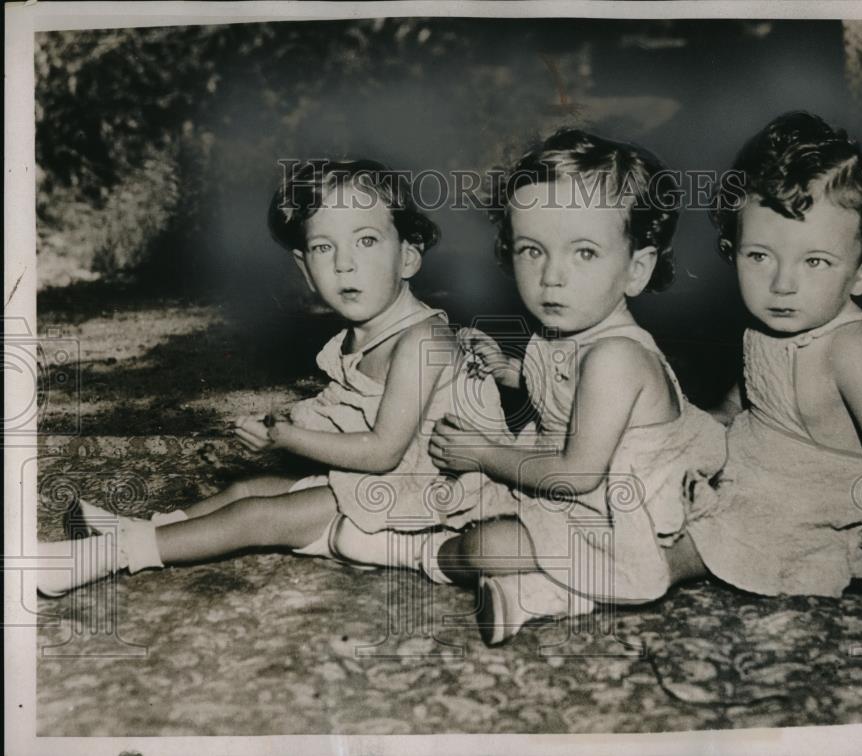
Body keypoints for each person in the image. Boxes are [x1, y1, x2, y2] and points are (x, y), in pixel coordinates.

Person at [37, 159, 511, 597]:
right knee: (247, 488)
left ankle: (109, 555)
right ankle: (146, 528)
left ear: (408, 257)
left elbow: (383, 451)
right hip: (381, 485)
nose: (344, 263)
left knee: (257, 515)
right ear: (306, 270)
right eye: (324, 247)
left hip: (437, 502)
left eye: (366, 241)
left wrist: (289, 439)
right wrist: (278, 426)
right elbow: (339, 411)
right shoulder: (357, 339)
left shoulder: (423, 340)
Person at [425, 129, 727, 646]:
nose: (552, 277)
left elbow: (577, 475)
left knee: (482, 546)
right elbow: (560, 392)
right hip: (575, 480)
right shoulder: (564, 330)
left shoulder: (616, 356)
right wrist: (512, 374)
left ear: (636, 269)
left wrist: (482, 453)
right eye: (531, 250)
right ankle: (537, 585)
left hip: (623, 505)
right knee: (450, 501)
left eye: (584, 253)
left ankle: (546, 590)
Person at [683, 112, 862, 629]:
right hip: (754, 460)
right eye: (760, 256)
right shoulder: (764, 326)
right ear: (732, 251)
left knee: (702, 542)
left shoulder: (850, 350)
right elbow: (736, 403)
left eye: (815, 262)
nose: (782, 285)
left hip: (804, 496)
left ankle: (579, 578)